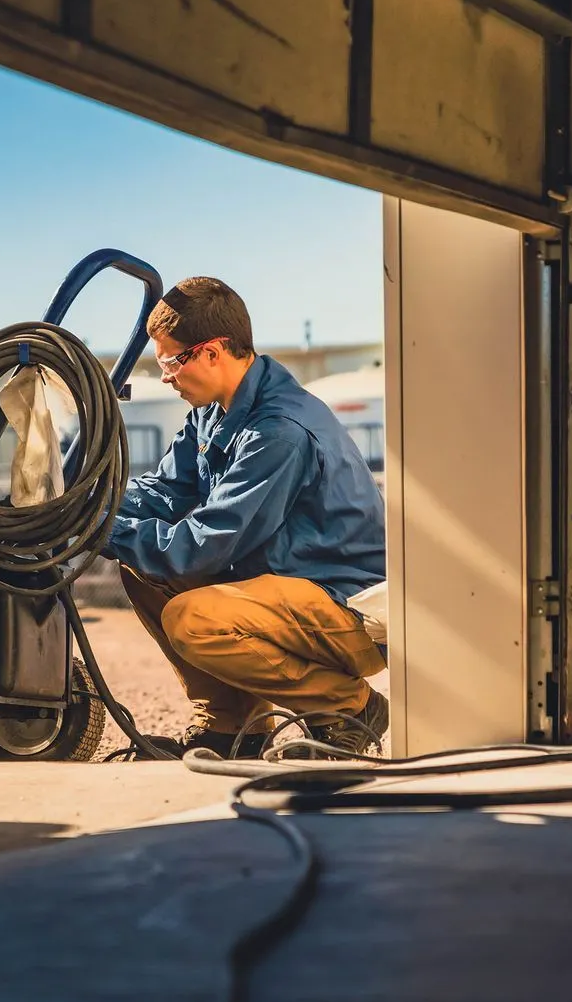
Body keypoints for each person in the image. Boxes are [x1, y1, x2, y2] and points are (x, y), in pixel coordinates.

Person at [103, 276, 387, 758]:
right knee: (143, 569)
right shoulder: (214, 412)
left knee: (194, 619)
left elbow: (200, 548)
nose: (166, 376)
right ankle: (235, 727)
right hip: (283, 589)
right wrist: (91, 505)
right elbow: (166, 492)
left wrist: (100, 530)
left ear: (212, 352)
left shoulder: (279, 430)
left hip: (344, 607)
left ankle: (350, 710)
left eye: (170, 361)